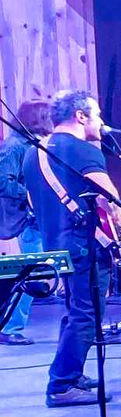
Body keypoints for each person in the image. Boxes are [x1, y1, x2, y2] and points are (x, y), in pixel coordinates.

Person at [21, 90, 121, 408]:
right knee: (87, 314)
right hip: (84, 245)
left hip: (57, 244)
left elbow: (32, 202)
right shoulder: (82, 150)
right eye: (97, 114)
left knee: (74, 312)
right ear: (80, 116)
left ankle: (71, 374)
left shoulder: (34, 153)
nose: (101, 121)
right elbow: (109, 199)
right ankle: (62, 384)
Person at [0, 99, 50, 346]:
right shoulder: (15, 147)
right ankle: (9, 327)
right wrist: (30, 195)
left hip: (38, 217)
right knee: (30, 274)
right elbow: (3, 182)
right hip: (27, 220)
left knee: (36, 271)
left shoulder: (32, 143)